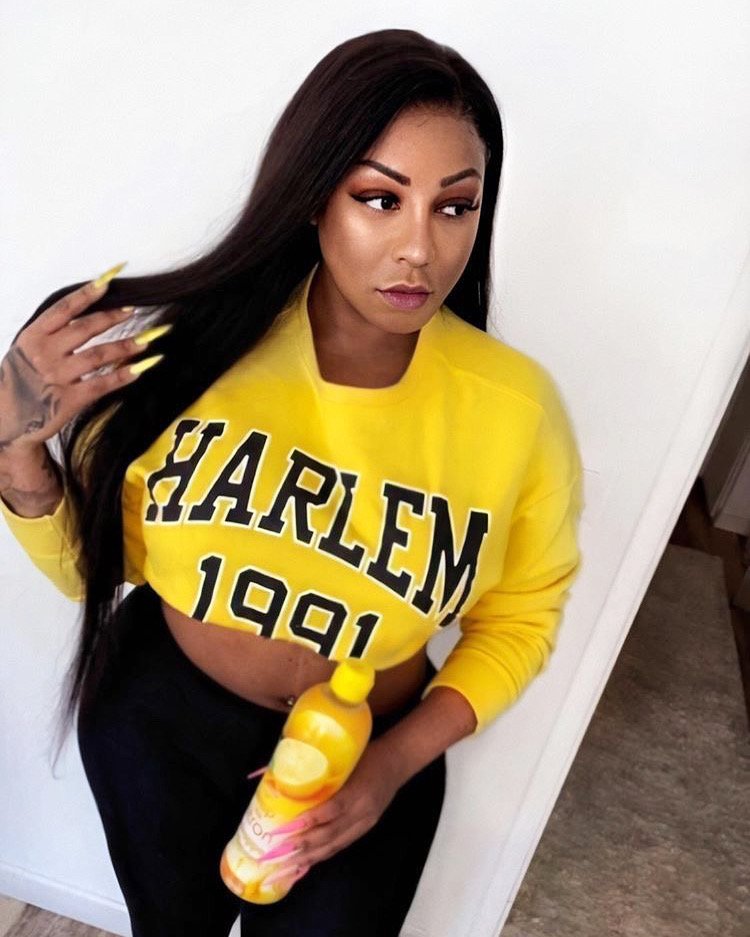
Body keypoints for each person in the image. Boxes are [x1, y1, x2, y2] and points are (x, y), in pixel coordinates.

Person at [0, 27, 584, 937]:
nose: (420, 248)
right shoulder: (184, 356)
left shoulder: (515, 410)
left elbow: (520, 617)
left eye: (454, 206)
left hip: (369, 751)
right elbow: (92, 571)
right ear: (315, 196)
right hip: (162, 724)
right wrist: (16, 452)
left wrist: (392, 765)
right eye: (380, 198)